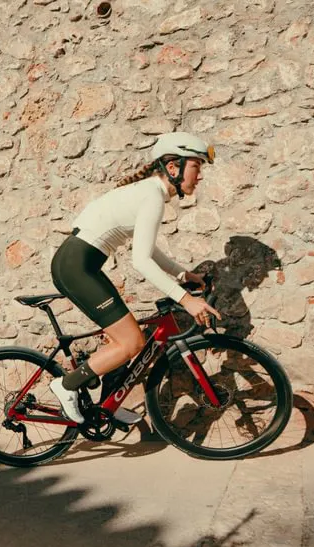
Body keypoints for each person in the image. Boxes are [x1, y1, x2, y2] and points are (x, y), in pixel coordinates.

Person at [49, 132, 222, 425]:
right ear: (173, 167)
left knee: (125, 341)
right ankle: (66, 385)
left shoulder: (150, 193)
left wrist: (183, 274)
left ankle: (107, 407)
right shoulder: (152, 197)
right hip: (77, 267)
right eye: (197, 166)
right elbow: (140, 261)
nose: (200, 175)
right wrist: (187, 300)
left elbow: (148, 249)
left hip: (78, 264)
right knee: (132, 342)